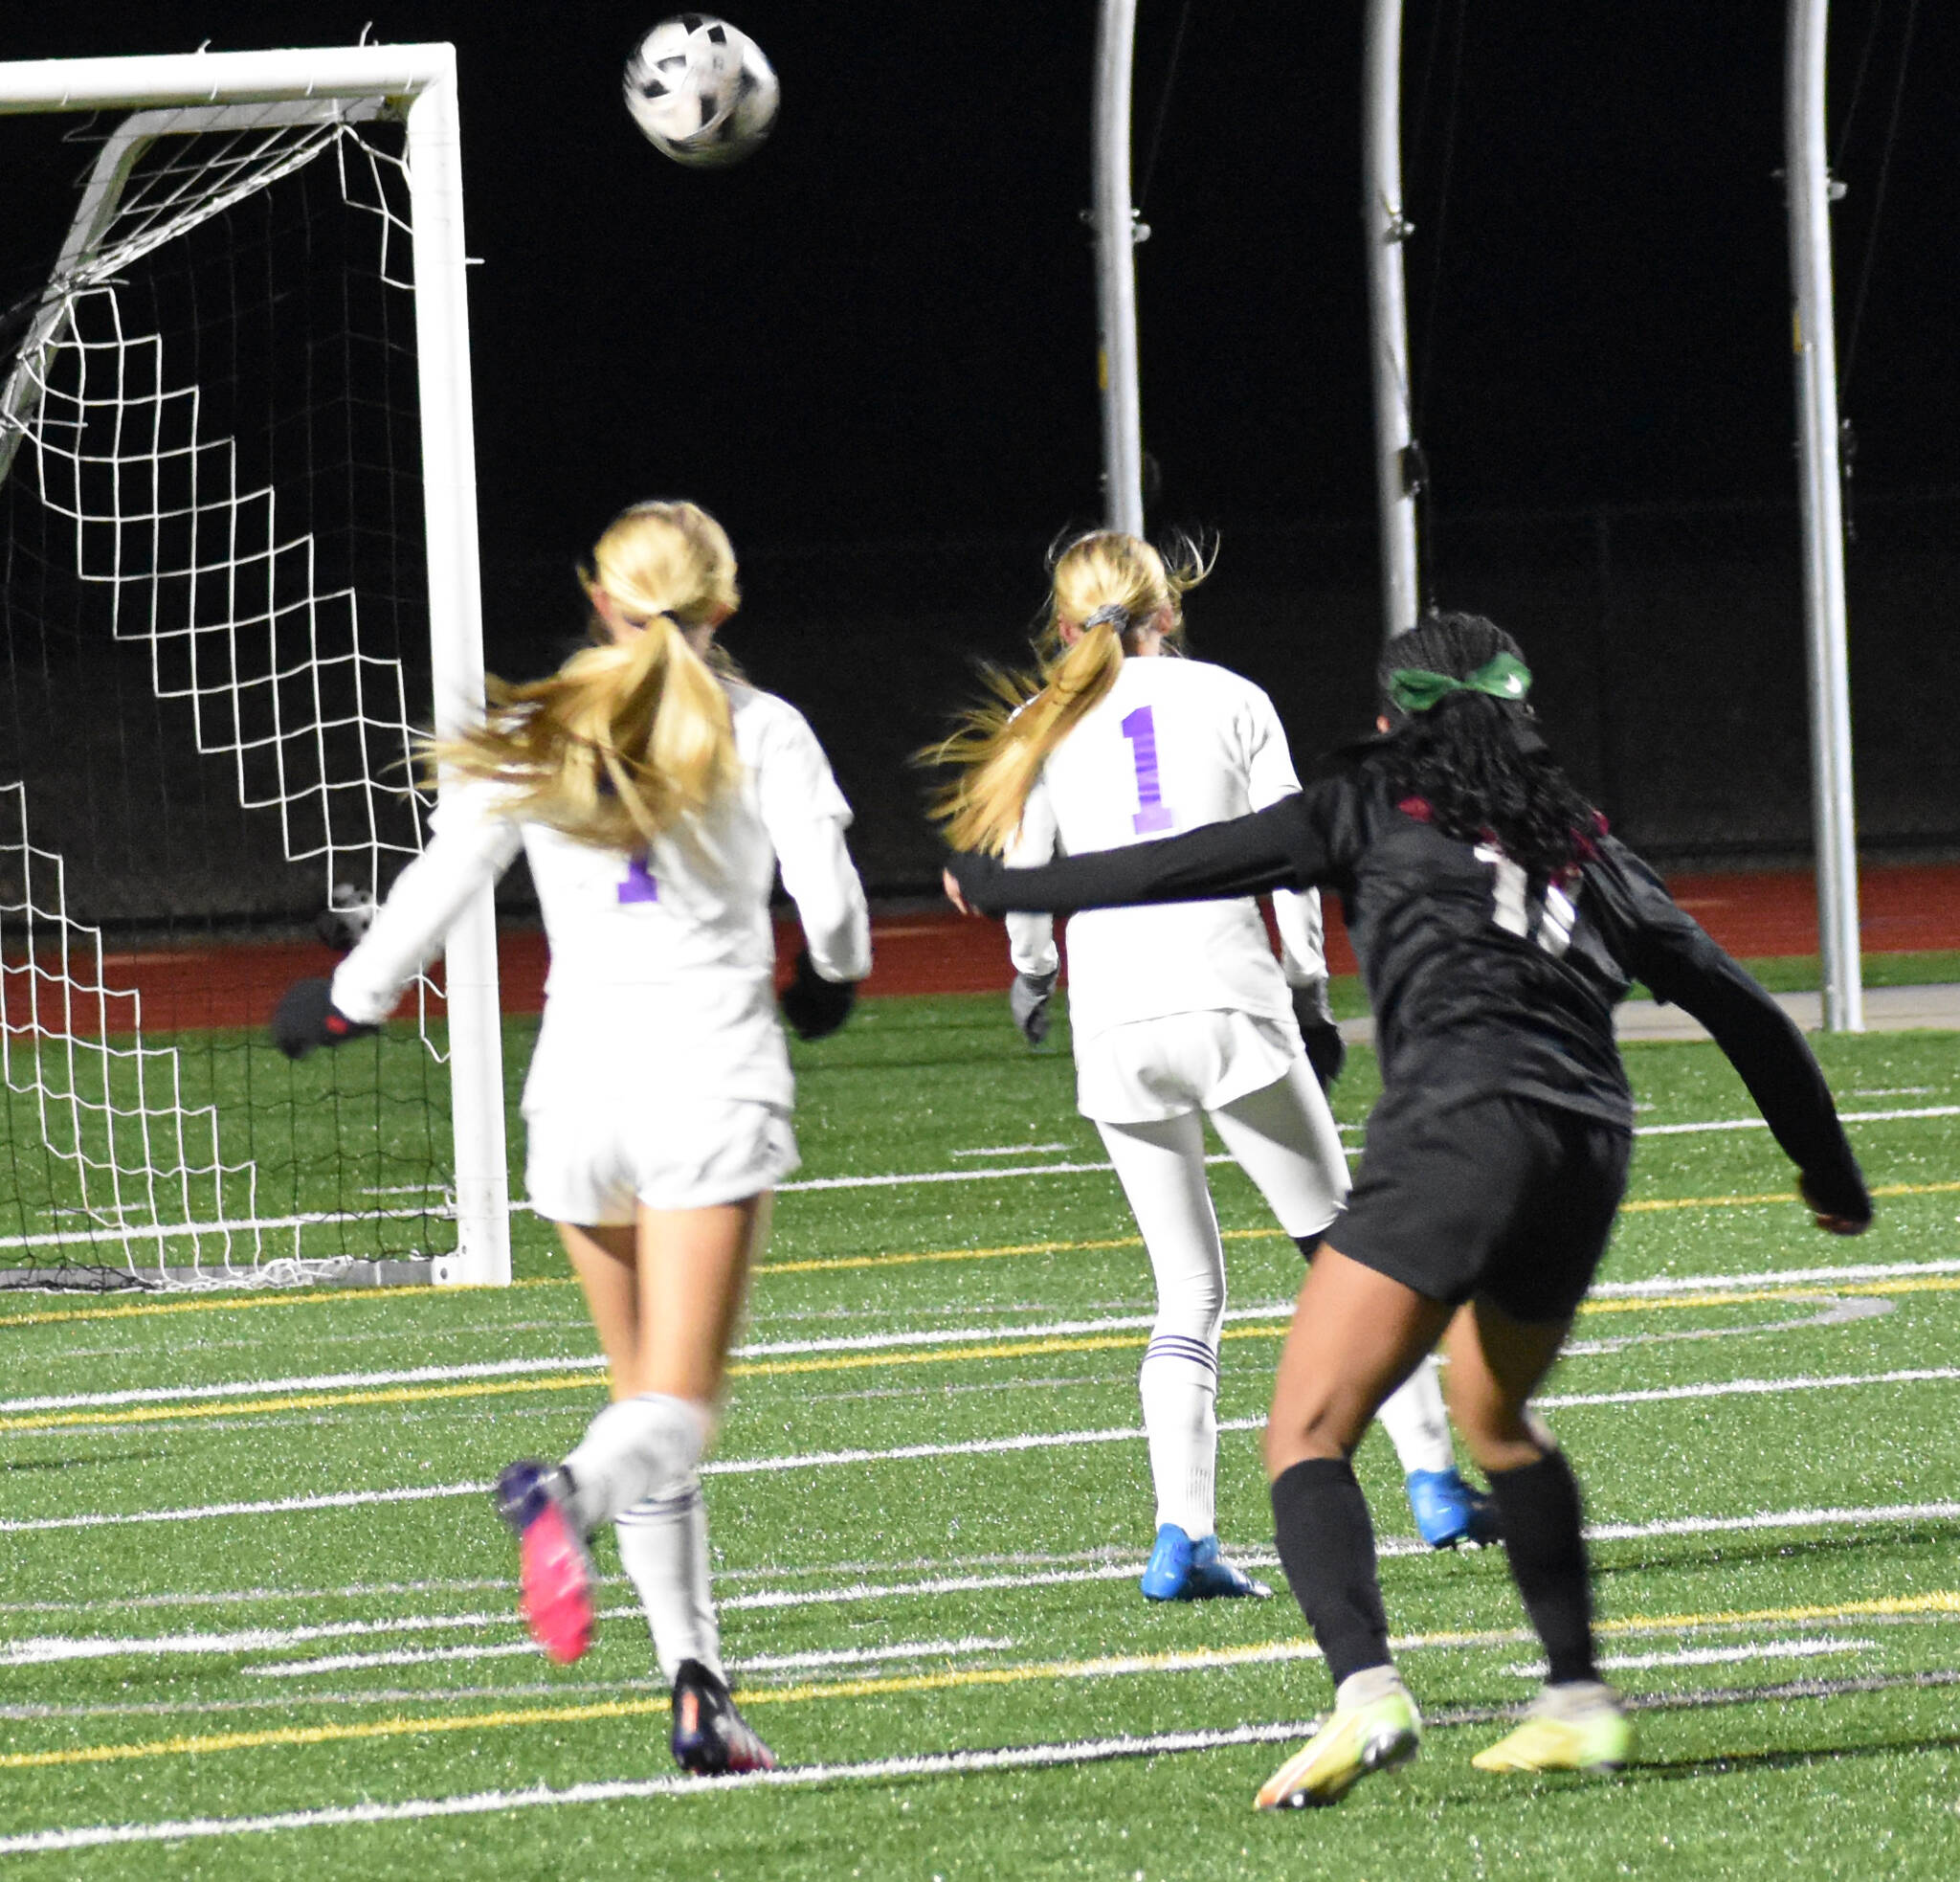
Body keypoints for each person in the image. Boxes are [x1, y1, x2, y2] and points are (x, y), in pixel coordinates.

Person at [945, 610, 1871, 1804]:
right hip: (1585, 1147)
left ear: (1393, 719)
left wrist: (1010, 884)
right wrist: (1826, 1173)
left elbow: (1179, 866)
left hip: (1458, 1132)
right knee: (1497, 1420)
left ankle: (1366, 1693)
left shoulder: (1371, 800)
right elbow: (1741, 1007)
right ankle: (1576, 1697)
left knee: (1306, 1430)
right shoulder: (1584, 840)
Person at [273, 500, 871, 1777]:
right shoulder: (763, 728)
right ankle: (566, 1501)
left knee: (640, 1403)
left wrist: (348, 999)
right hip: (705, 1082)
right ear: (727, 601)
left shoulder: (537, 729)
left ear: (603, 598)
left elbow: (443, 877)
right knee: (672, 1410)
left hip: (577, 1094)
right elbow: (832, 908)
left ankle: (697, 1689)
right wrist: (826, 981)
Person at [928, 533, 1496, 1602]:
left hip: (1115, 1018)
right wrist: (1310, 994)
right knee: (1352, 1252)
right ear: (1168, 611)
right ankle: (1431, 1478)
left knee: (1185, 1288)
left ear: (1062, 626)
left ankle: (1180, 1533)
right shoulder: (1232, 697)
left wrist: (1035, 972)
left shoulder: (1033, 723)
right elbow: (1288, 860)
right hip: (1227, 997)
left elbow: (1023, 876)